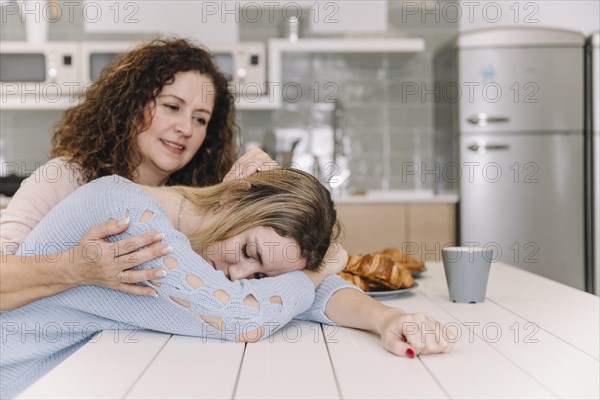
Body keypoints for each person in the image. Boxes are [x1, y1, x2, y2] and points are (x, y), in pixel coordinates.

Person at [0, 168, 453, 399]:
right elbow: (243, 316)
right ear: (238, 197)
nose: (237, 276)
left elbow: (299, 294)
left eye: (259, 276)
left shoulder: (192, 235)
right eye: (249, 253)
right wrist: (315, 271)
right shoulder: (131, 221)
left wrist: (387, 318)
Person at [0, 37, 274, 310]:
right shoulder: (66, 177)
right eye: (172, 107)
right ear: (132, 105)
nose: (186, 129)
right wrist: (76, 267)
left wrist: (273, 186)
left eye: (200, 119)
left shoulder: (199, 206)